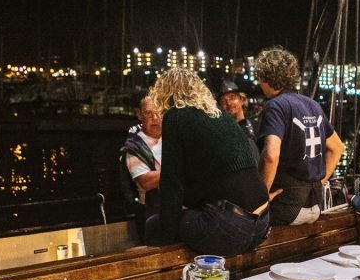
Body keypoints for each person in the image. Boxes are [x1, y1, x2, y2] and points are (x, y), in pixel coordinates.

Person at [146, 67, 270, 256]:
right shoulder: (221, 116)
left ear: (165, 93)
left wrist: (166, 234)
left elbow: (172, 184)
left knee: (155, 224)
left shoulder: (176, 116)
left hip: (233, 227)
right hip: (262, 222)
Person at [254, 46, 345, 226]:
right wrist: (320, 182)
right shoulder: (312, 105)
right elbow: (338, 148)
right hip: (315, 205)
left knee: (241, 220)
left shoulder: (275, 106)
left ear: (265, 77)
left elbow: (271, 156)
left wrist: (260, 199)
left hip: (286, 206)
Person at [120, 96, 162, 239]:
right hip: (151, 213)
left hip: (179, 209)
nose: (155, 118)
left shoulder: (174, 136)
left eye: (160, 112)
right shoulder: (134, 147)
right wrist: (181, 169)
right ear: (139, 115)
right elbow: (146, 182)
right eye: (148, 113)